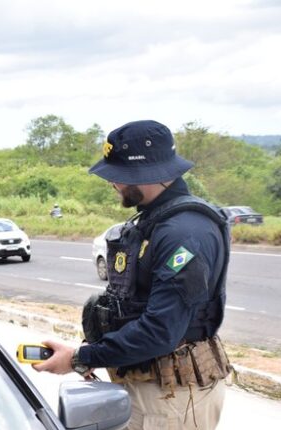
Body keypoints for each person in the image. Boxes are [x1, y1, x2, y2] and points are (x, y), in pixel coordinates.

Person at [33, 120, 232, 429]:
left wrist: (80, 357)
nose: (113, 184)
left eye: (119, 176)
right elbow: (132, 303)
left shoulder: (183, 234)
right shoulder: (154, 222)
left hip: (169, 399)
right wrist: (96, 348)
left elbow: (160, 331)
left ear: (147, 173)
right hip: (150, 390)